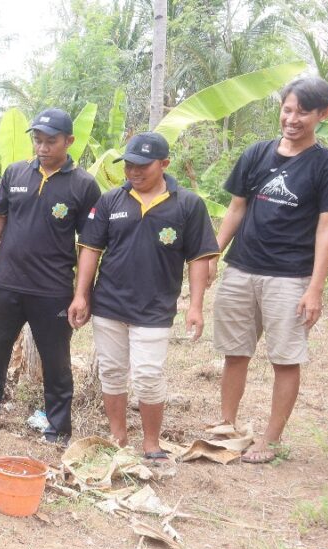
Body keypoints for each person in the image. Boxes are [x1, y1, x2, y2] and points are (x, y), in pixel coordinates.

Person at [210, 77, 328, 463]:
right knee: (235, 352)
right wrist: (212, 255)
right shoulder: (256, 153)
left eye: (302, 112)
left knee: (285, 358)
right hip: (241, 268)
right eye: (287, 110)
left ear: (323, 115)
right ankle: (226, 424)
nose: (292, 119)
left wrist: (315, 288)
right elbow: (237, 208)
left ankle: (269, 440)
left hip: (290, 276)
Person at [67, 132, 219, 471]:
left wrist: (195, 306)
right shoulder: (110, 201)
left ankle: (151, 443)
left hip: (155, 308)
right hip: (109, 305)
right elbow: (90, 249)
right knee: (112, 372)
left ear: (164, 164)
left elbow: (198, 259)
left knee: (149, 375)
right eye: (129, 166)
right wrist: (81, 294)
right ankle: (118, 438)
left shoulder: (188, 205)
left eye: (142, 166)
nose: (134, 172)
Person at [0, 109, 102, 444]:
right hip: (6, 283)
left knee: (56, 360)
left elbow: (89, 245)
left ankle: (57, 429)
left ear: (69, 141)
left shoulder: (83, 185)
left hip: (52, 289)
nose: (42, 147)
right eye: (37, 140)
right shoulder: (14, 173)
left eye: (50, 141)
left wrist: (82, 294)